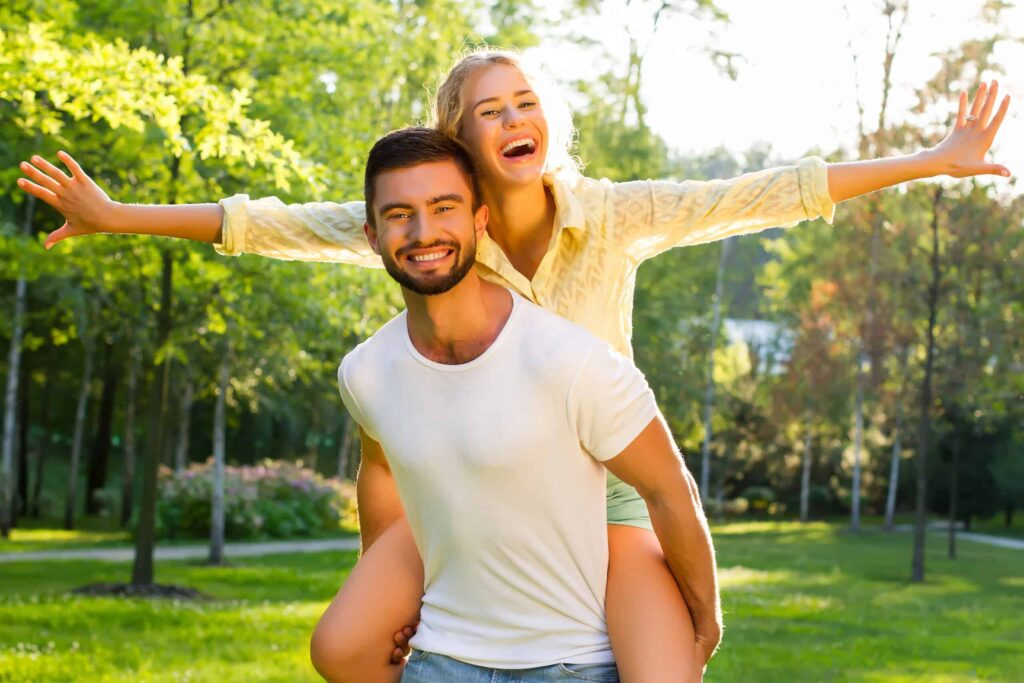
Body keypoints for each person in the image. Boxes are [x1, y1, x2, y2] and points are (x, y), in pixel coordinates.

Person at [17, 48, 1011, 682]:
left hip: (602, 498)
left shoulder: (614, 213)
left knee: (670, 673)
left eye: (523, 99)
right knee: (346, 648)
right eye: (485, 108)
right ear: (460, 138)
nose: (510, 115)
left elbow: (757, 193)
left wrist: (934, 155)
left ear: (545, 124)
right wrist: (114, 215)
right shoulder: (434, 225)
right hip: (472, 495)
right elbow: (263, 224)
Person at [334, 125, 716, 682]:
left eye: (444, 208)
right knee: (337, 651)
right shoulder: (365, 372)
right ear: (372, 234)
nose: (423, 231)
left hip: (573, 667)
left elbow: (667, 488)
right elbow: (382, 468)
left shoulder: (571, 362)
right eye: (399, 215)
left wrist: (704, 622)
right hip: (440, 663)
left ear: (478, 220)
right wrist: (394, 598)